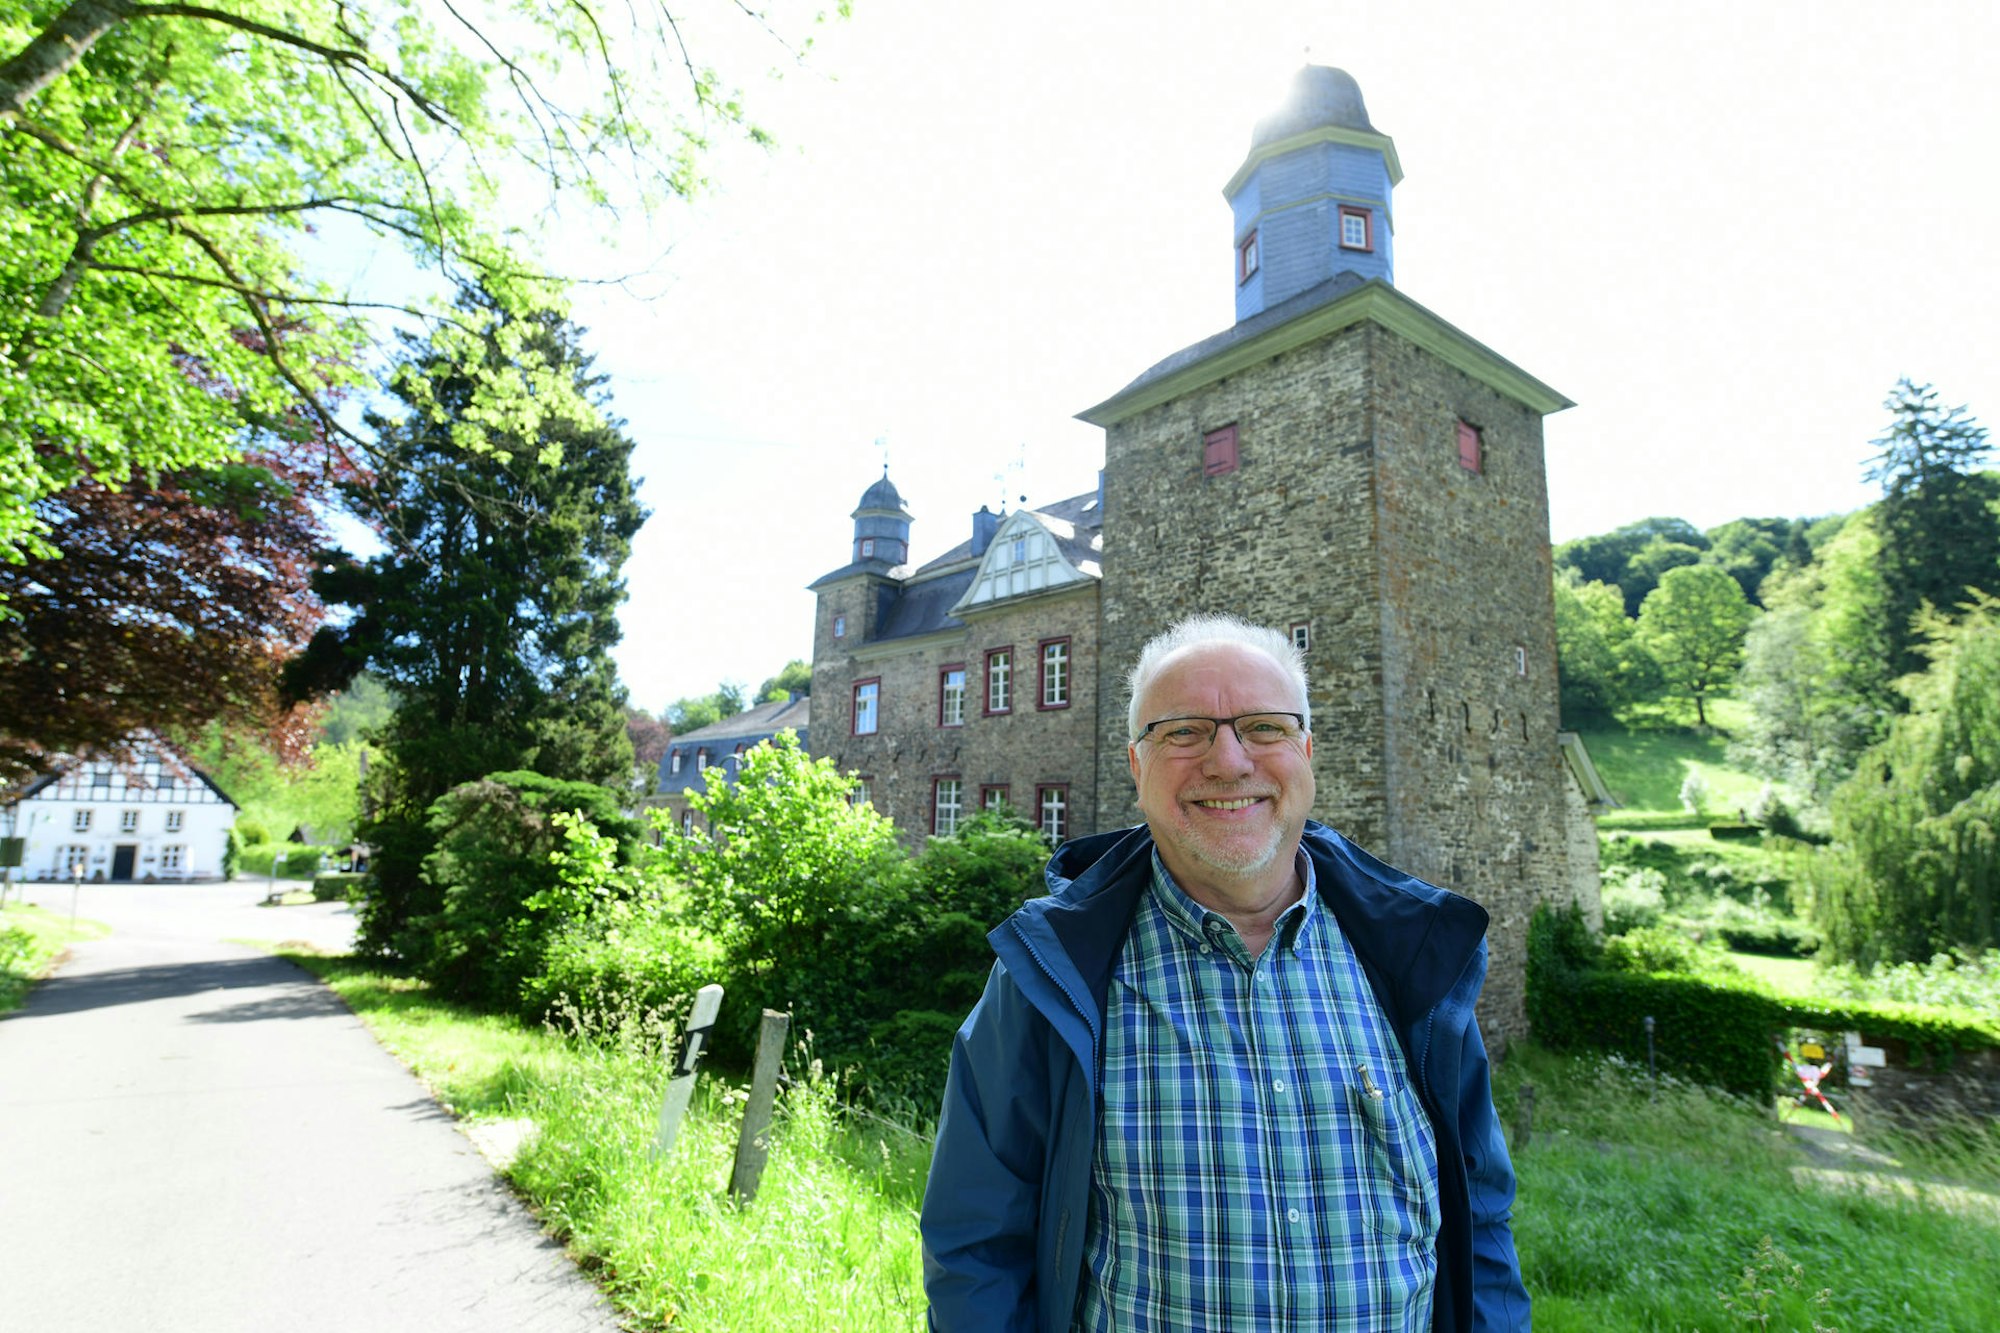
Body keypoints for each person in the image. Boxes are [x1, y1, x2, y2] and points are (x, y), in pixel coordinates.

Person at [920, 614, 1530, 1332]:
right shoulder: (1052, 975)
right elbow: (976, 1247)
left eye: (1264, 727)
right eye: (1183, 732)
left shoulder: (1415, 957)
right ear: (1136, 766)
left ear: (1307, 749)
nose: (1229, 760)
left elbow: (1481, 1219)